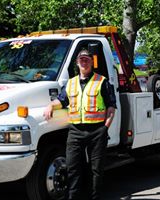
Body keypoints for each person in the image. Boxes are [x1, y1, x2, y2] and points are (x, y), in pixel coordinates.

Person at [44, 49, 116, 200]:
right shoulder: (71, 83)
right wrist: (50, 106)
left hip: (97, 131)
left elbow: (111, 106)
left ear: (92, 62)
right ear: (77, 63)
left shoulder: (102, 81)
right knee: (72, 167)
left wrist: (105, 128)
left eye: (87, 59)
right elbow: (62, 100)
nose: (84, 62)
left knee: (96, 170)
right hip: (75, 131)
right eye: (81, 59)